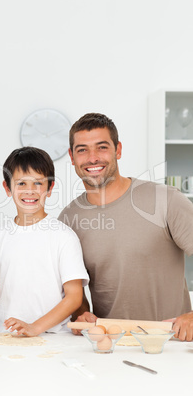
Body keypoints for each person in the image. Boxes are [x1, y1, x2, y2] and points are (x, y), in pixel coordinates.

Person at [59, 112, 193, 342]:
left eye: (102, 147)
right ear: (72, 157)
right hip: (109, 345)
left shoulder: (165, 200)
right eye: (82, 150)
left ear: (118, 150)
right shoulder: (68, 219)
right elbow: (75, 289)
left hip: (171, 343)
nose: (92, 158)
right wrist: (81, 314)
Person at [0, 147, 89, 336]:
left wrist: (35, 327)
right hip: (3, 334)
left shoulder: (63, 236)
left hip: (52, 337)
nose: (30, 191)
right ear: (7, 188)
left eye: (38, 184)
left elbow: (74, 297)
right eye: (22, 183)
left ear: (49, 188)